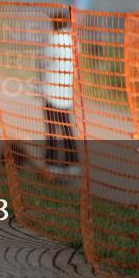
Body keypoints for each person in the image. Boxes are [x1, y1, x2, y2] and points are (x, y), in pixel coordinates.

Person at [41, 10, 80, 176]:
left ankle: (51, 164)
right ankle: (72, 162)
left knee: (51, 129)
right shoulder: (73, 40)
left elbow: (43, 63)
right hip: (66, 92)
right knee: (66, 128)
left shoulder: (53, 39)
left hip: (51, 91)